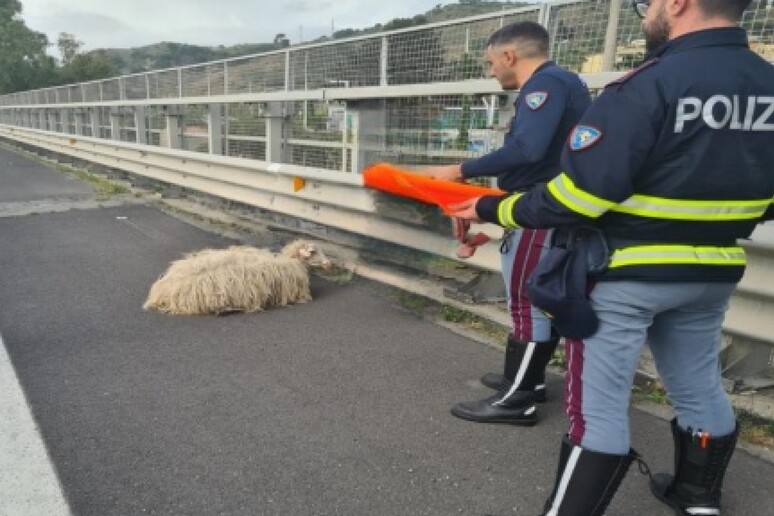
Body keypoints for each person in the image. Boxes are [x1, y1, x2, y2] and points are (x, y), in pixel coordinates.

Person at [449, 0, 774, 512]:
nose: (646, 15)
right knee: (699, 389)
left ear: (678, 3)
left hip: (625, 273)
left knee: (595, 414)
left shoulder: (648, 84)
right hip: (712, 270)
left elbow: (582, 195)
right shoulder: (767, 82)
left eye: (648, 4)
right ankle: (697, 498)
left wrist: (494, 208)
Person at [421, 21, 591, 426]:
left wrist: (459, 169)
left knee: (526, 300)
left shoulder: (544, 86)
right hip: (544, 206)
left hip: (538, 208)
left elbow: (527, 150)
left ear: (509, 56)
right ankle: (525, 382)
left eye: (491, 63)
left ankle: (517, 400)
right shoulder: (566, 82)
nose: (491, 71)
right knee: (536, 298)